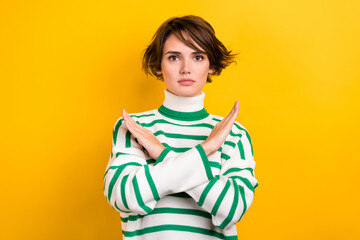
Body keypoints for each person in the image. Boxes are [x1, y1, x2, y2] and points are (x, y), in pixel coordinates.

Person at [103, 15, 258, 240]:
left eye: (197, 57)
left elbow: (232, 210)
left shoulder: (233, 133)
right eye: (174, 57)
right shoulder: (135, 128)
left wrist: (163, 155)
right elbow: (125, 197)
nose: (186, 68)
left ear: (211, 65)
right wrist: (205, 151)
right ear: (158, 66)